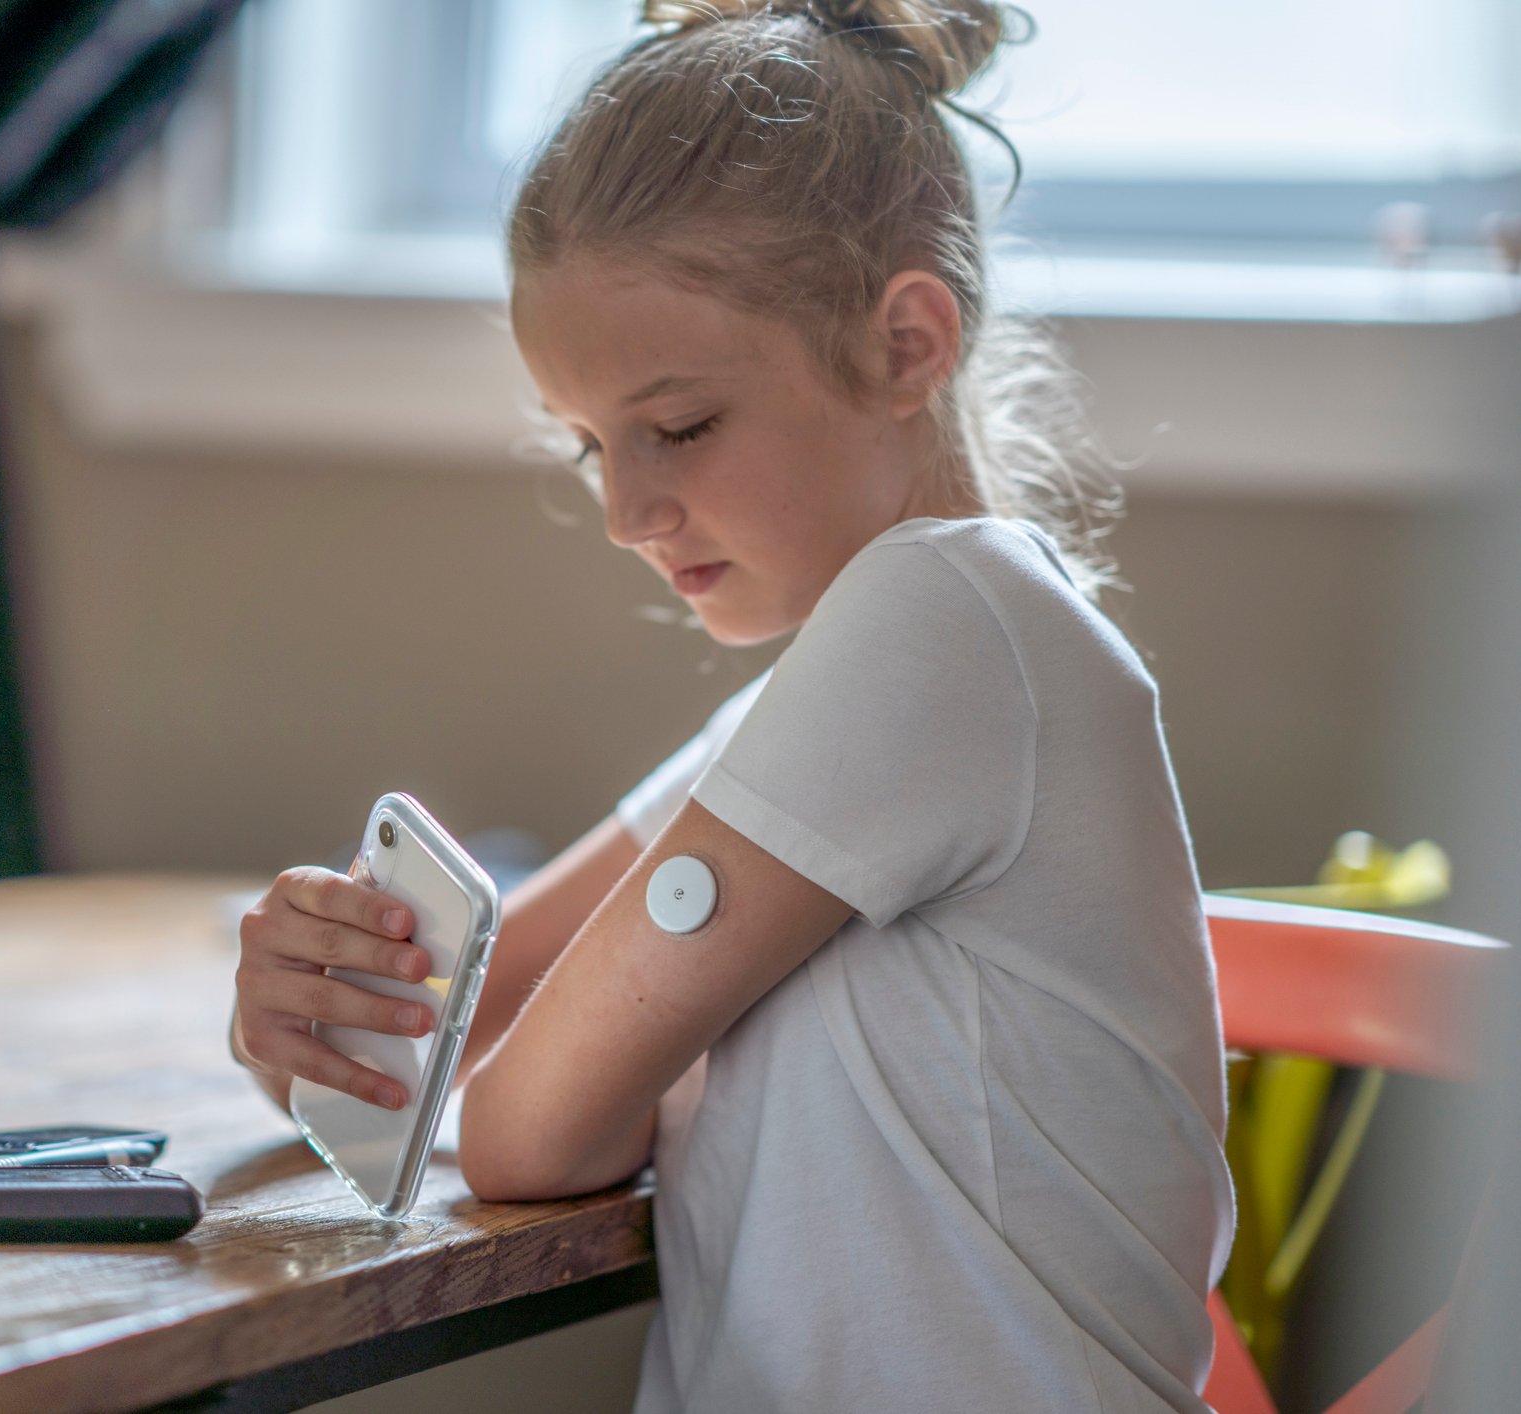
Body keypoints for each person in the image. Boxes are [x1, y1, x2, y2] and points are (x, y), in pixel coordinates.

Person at [228, 2, 1234, 1408]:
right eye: (588, 444)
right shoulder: (834, 690)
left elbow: (522, 1126)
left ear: (905, 342)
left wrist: (427, 1059)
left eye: (679, 427)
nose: (625, 511)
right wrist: (308, 1019)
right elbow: (458, 1025)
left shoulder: (944, 622)